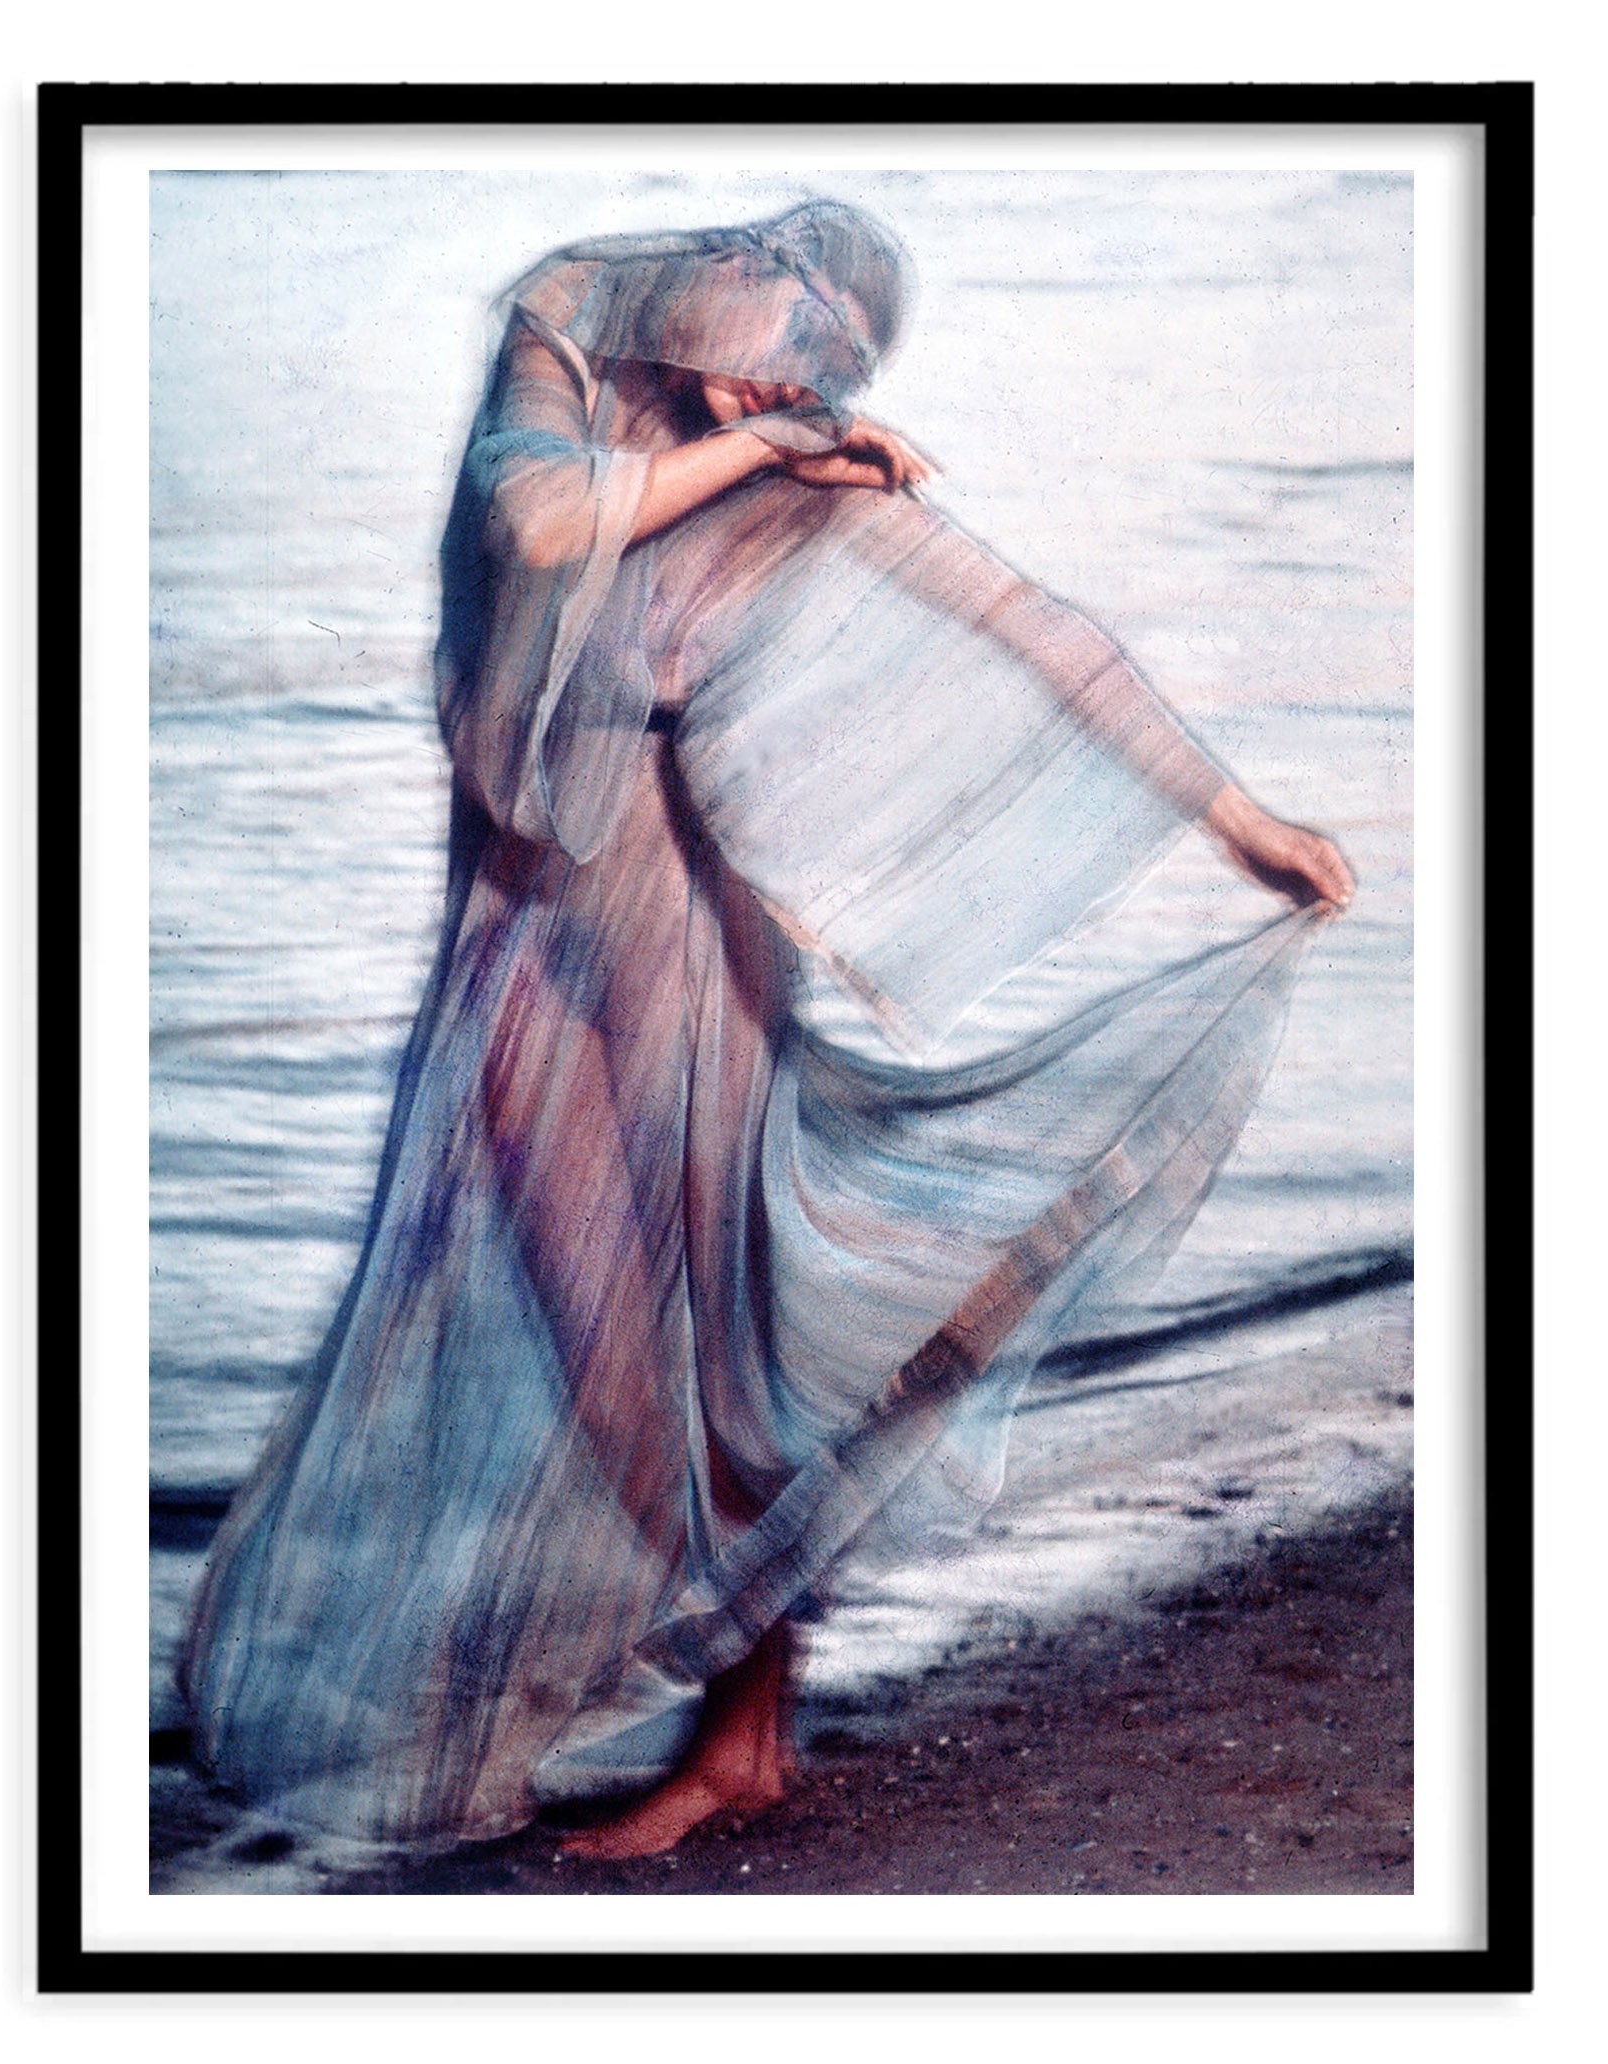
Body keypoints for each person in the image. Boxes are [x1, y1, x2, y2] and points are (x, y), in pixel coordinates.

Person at [183, 199, 1354, 1861]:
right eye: (764, 376)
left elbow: (1027, 627)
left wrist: (1234, 816)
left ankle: (735, 1742)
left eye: (812, 383)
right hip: (525, 923)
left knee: (710, 1336)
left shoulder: (790, 447)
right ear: (710, 310)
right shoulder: (571, 351)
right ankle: (654, 1712)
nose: (777, 404)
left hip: (689, 914)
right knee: (578, 1332)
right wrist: (763, 458)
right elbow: (536, 528)